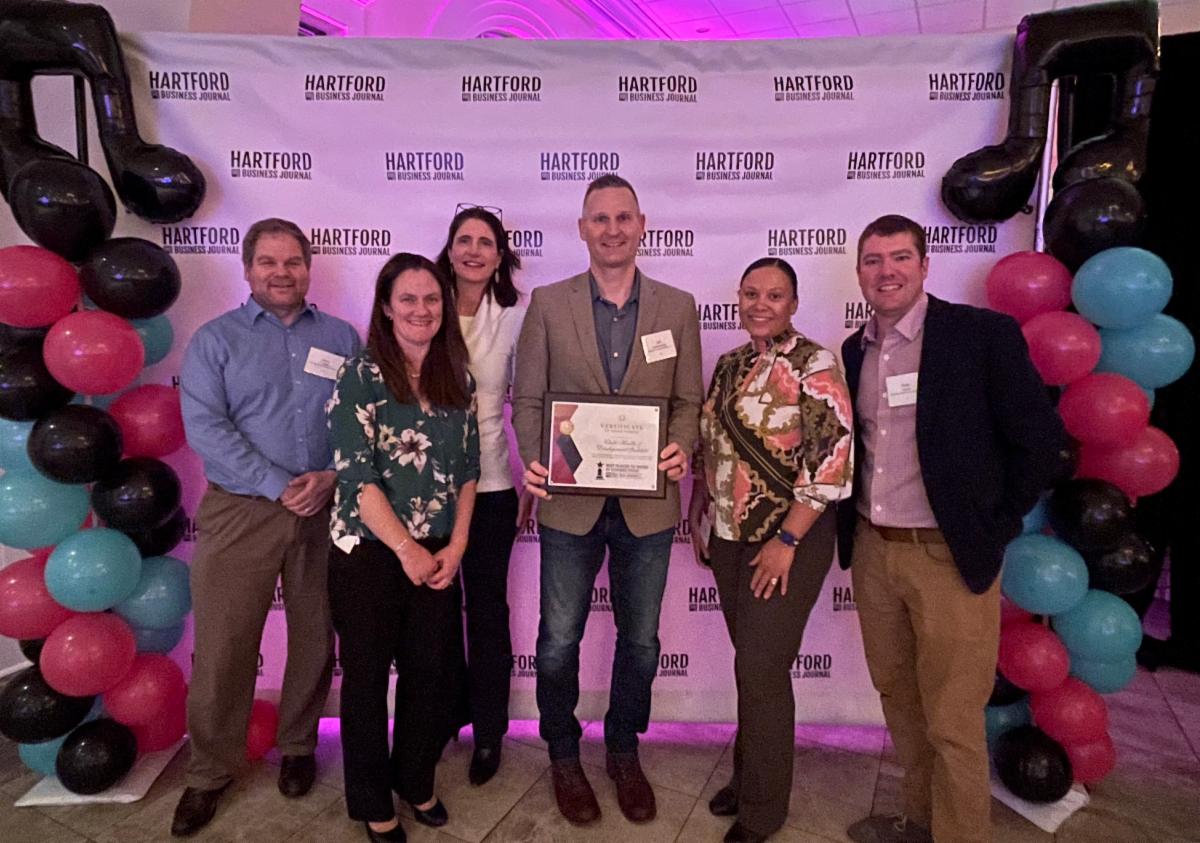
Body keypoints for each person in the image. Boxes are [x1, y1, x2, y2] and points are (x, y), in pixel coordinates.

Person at [837, 215, 1067, 843]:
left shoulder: (979, 336)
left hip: (948, 556)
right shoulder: (855, 350)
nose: (887, 271)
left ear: (924, 264)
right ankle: (920, 821)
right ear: (859, 272)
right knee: (901, 703)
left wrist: (993, 524)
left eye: (900, 257)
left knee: (953, 720)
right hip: (874, 550)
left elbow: (1040, 439)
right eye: (874, 260)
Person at [512, 174, 703, 826]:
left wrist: (680, 445)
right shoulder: (547, 302)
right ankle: (563, 752)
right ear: (582, 227)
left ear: (642, 224)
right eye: (600, 218)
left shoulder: (677, 307)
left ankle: (624, 746)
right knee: (559, 638)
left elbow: (688, 403)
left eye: (624, 217)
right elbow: (530, 398)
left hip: (648, 505)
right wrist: (539, 458)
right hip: (570, 503)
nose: (613, 228)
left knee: (642, 640)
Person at [174, 218, 361, 836]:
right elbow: (206, 428)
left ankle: (300, 747)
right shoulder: (214, 341)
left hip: (324, 507)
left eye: (293, 262)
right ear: (247, 268)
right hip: (241, 509)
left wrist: (331, 478)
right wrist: (277, 482)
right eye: (268, 262)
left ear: (309, 267)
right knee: (226, 643)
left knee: (315, 635)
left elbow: (363, 420)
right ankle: (208, 771)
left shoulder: (341, 336)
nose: (282, 272)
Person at [689, 258, 853, 843]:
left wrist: (787, 540)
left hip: (788, 541)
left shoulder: (816, 364)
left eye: (775, 295)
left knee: (762, 668)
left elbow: (831, 460)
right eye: (751, 293)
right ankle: (748, 773)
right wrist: (698, 509)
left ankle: (763, 811)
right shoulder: (730, 364)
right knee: (750, 667)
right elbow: (712, 445)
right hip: (730, 536)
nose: (761, 303)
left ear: (793, 303)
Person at [326, 252, 479, 843]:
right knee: (365, 678)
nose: (422, 310)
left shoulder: (457, 377)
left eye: (432, 299)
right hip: (368, 551)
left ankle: (415, 780)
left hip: (440, 549)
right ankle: (371, 799)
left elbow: (469, 468)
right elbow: (356, 478)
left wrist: (458, 543)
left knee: (430, 674)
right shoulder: (359, 375)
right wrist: (406, 551)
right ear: (386, 308)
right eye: (408, 299)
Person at [434, 205, 530, 785]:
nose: (473, 250)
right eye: (464, 240)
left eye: (485, 242)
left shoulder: (517, 316)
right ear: (448, 249)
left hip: (492, 485)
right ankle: (441, 717)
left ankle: (490, 733)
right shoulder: (420, 304)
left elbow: (538, 398)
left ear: (500, 255)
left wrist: (537, 477)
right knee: (433, 615)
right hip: (423, 491)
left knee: (488, 613)